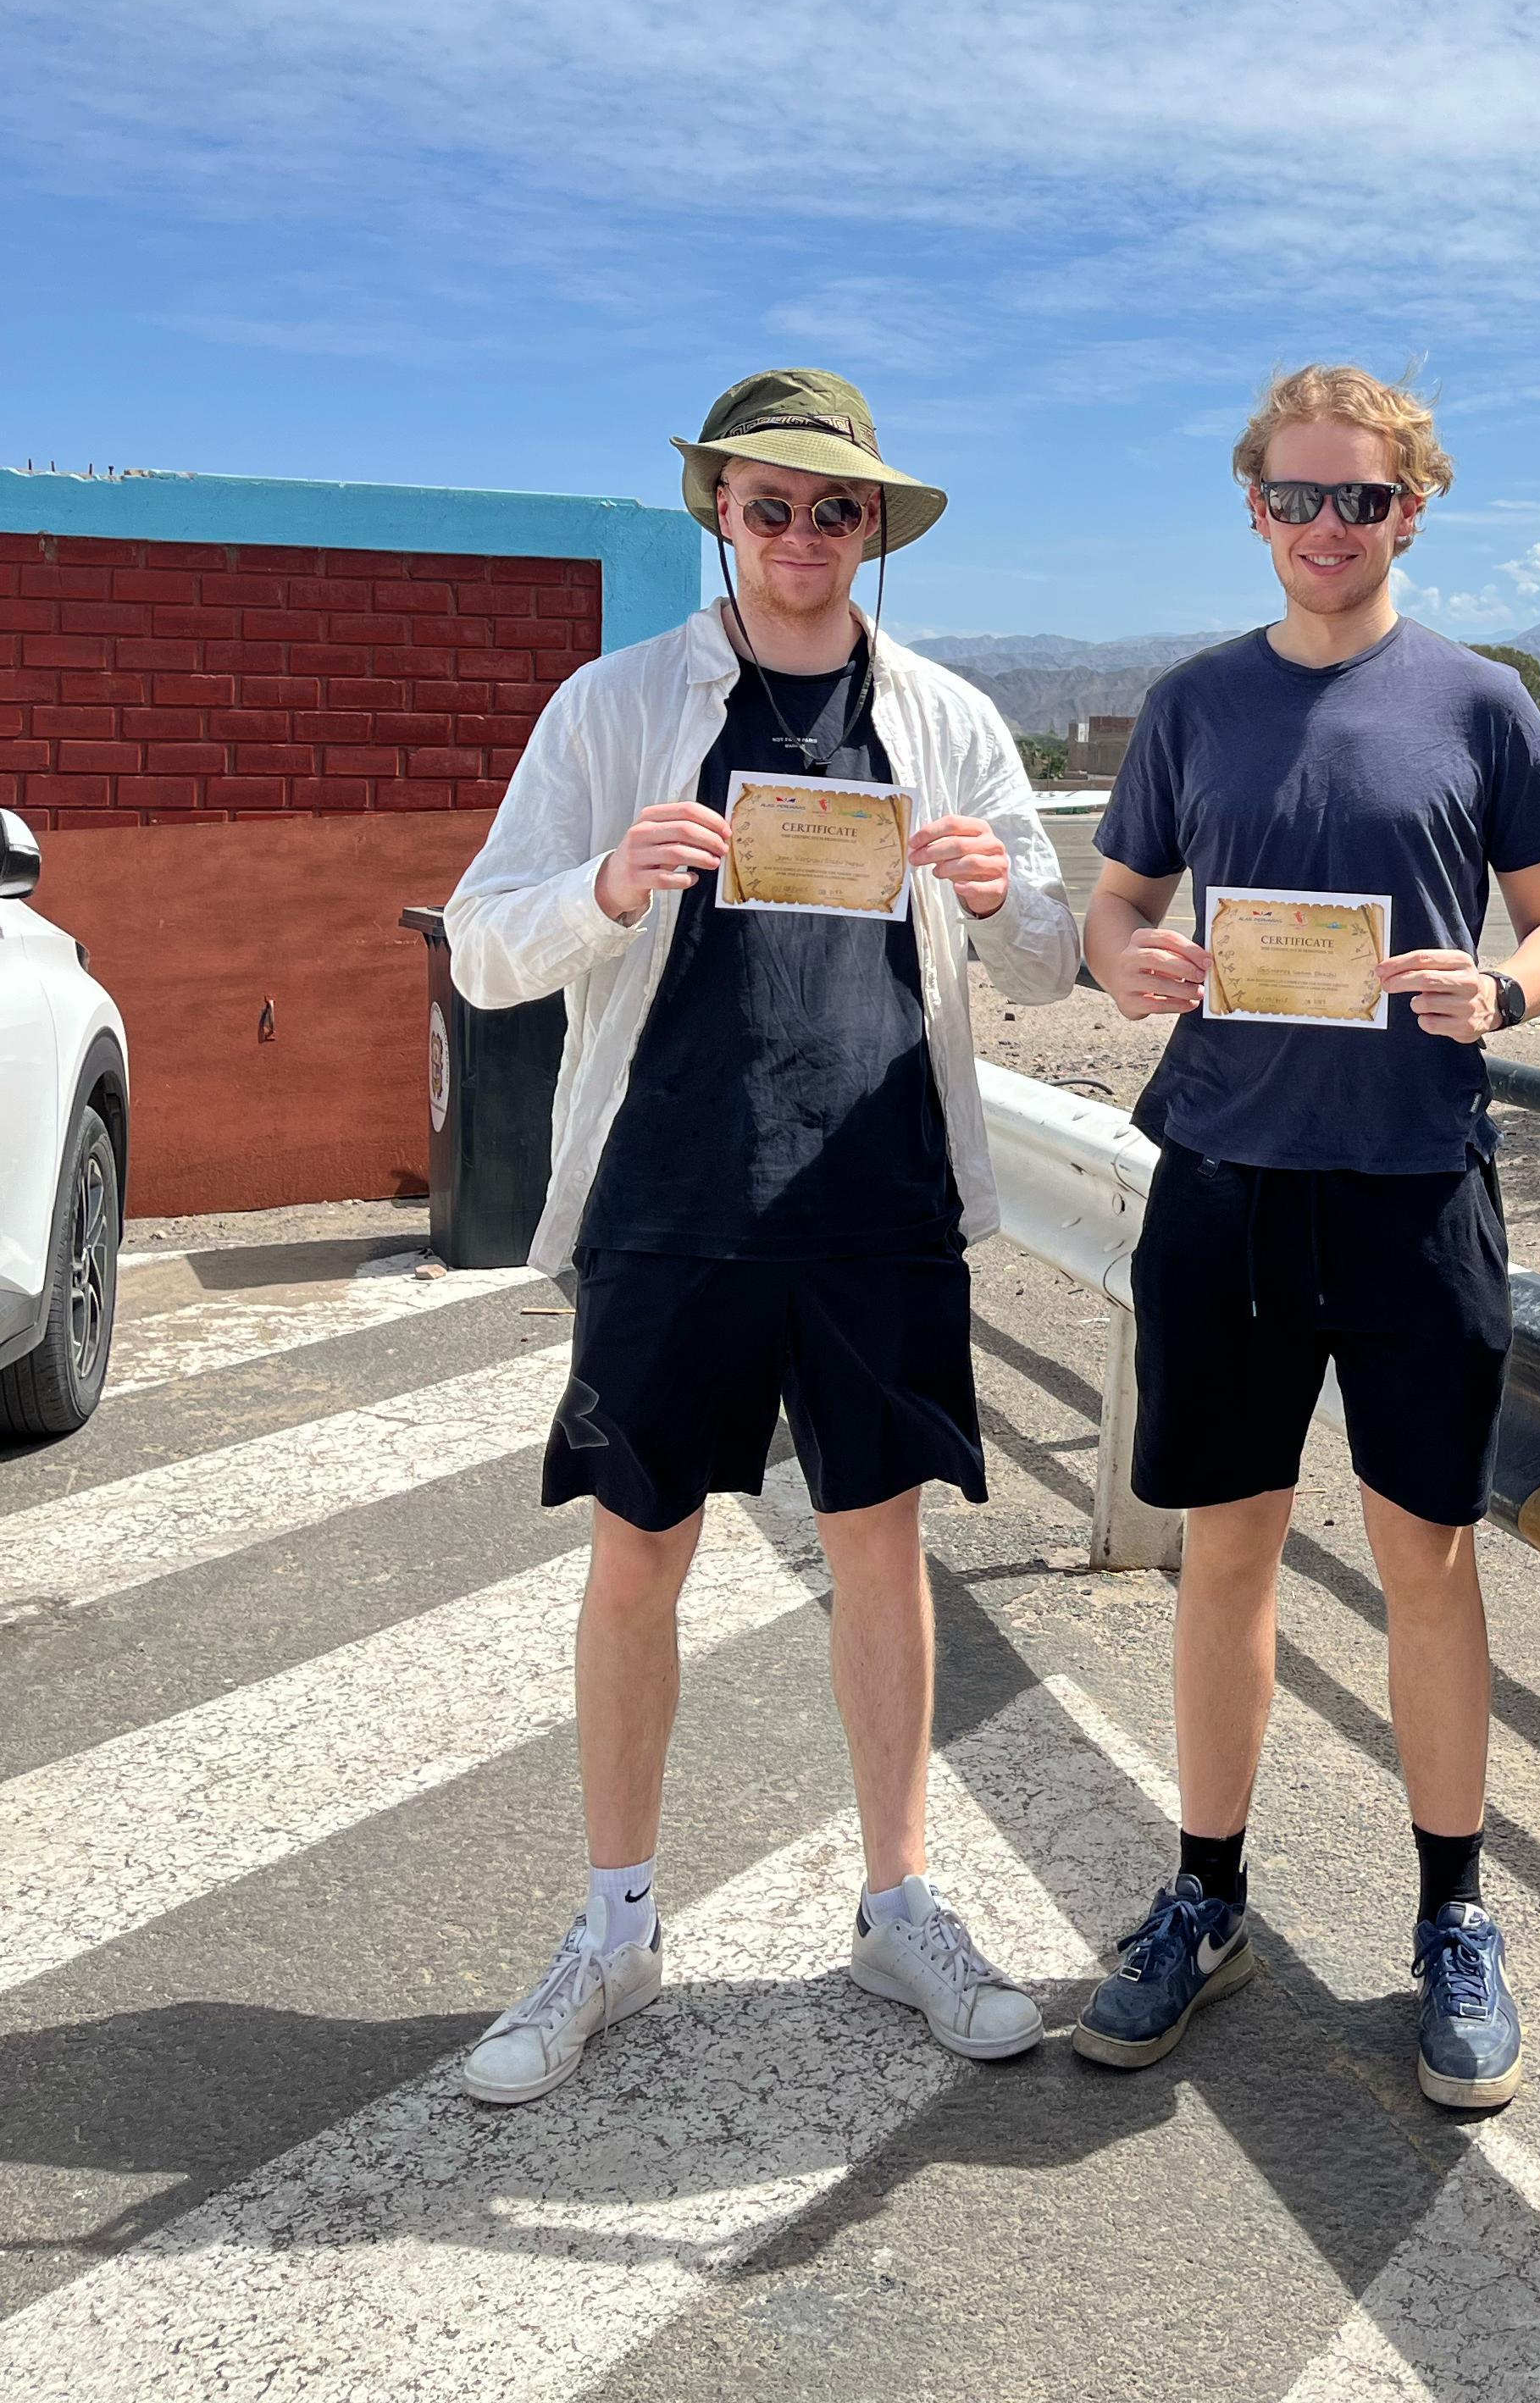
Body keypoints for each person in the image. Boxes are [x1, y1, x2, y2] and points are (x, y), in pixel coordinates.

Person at [444, 368, 1080, 2104]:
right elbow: (483, 946)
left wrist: (993, 892)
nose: (803, 536)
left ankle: (899, 1907)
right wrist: (607, 885)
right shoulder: (615, 708)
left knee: (880, 1552)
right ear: (717, 513)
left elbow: (1045, 955)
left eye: (837, 509)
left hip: (877, 1204)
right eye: (769, 504)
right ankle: (617, 1925)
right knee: (639, 1553)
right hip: (670, 1196)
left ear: (874, 532)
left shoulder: (945, 719)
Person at [1072, 364, 1540, 2110]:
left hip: (1412, 1184)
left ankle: (1455, 1916)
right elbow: (1120, 902)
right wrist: (1121, 960)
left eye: (1357, 503)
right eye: (1293, 500)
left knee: (1426, 1561)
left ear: (1412, 511)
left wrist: (1506, 987)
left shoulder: (1481, 703)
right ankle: (1205, 1896)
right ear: (1253, 508)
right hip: (1223, 1178)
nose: (1322, 530)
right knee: (1224, 1557)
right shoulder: (1193, 705)